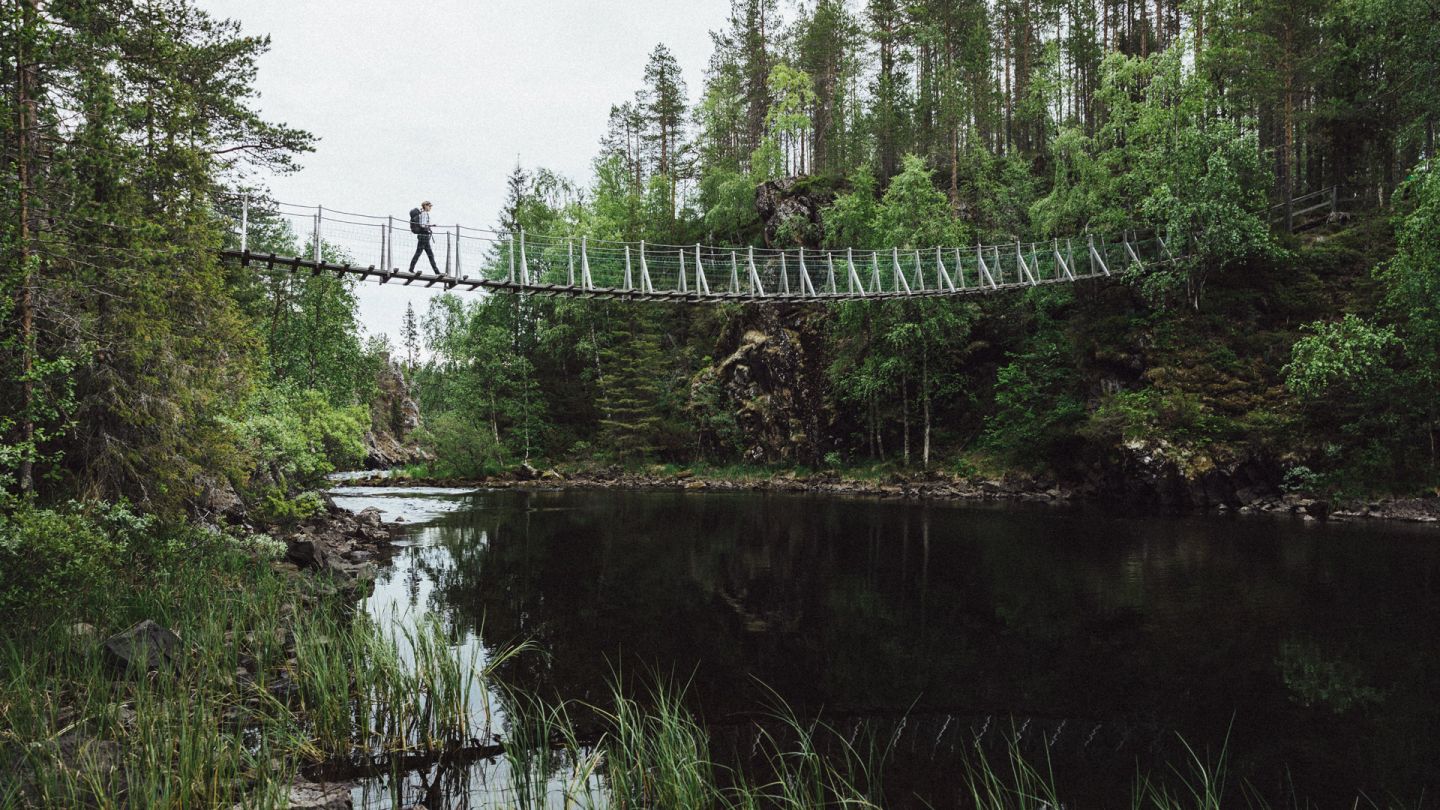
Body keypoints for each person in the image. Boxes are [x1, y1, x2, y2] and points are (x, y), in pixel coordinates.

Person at [408, 201, 440, 274]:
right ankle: (437, 272)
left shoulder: (422, 213)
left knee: (427, 254)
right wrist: (430, 225)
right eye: (429, 206)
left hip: (423, 236)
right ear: (425, 206)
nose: (430, 208)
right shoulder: (424, 214)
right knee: (426, 254)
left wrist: (430, 225)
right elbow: (422, 225)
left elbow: (423, 224)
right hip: (424, 236)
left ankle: (437, 272)